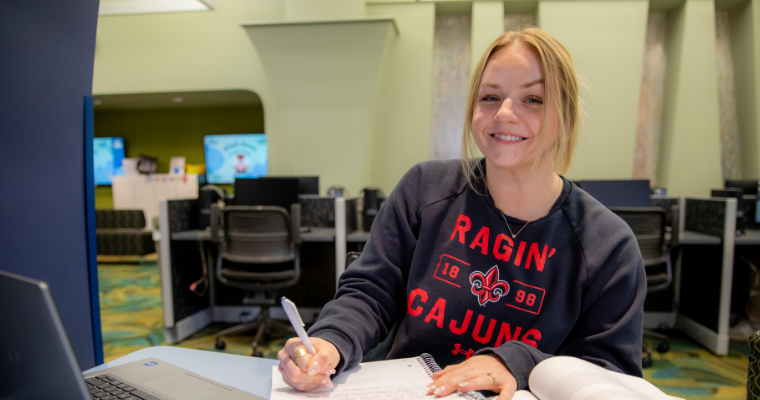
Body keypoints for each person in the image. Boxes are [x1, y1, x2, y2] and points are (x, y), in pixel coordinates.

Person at [277, 27, 646, 399]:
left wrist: (514, 362)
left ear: (564, 114)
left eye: (533, 99)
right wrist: (330, 344)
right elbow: (370, 293)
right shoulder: (425, 189)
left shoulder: (607, 246)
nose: (504, 113)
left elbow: (608, 374)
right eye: (490, 97)